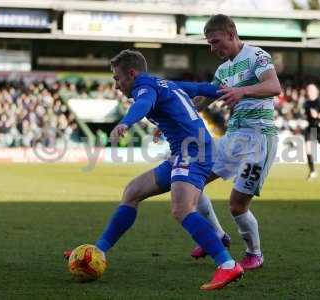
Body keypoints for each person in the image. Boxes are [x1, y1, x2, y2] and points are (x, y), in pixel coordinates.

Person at [64, 49, 243, 291]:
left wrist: (126, 123)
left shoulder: (144, 87)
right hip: (186, 150)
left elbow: (144, 103)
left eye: (117, 78)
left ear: (131, 73)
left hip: (194, 151)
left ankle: (227, 264)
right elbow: (200, 88)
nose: (116, 85)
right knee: (132, 192)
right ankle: (98, 252)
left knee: (182, 209)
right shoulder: (165, 83)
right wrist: (230, 93)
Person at [175, 14, 281, 271]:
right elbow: (204, 100)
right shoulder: (223, 70)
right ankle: (218, 236)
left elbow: (274, 86)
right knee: (192, 181)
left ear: (232, 34)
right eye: (210, 44)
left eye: (216, 42)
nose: (213, 49)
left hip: (258, 140)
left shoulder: (257, 56)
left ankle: (254, 253)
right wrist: (175, 116)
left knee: (236, 205)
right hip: (234, 139)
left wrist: (243, 91)